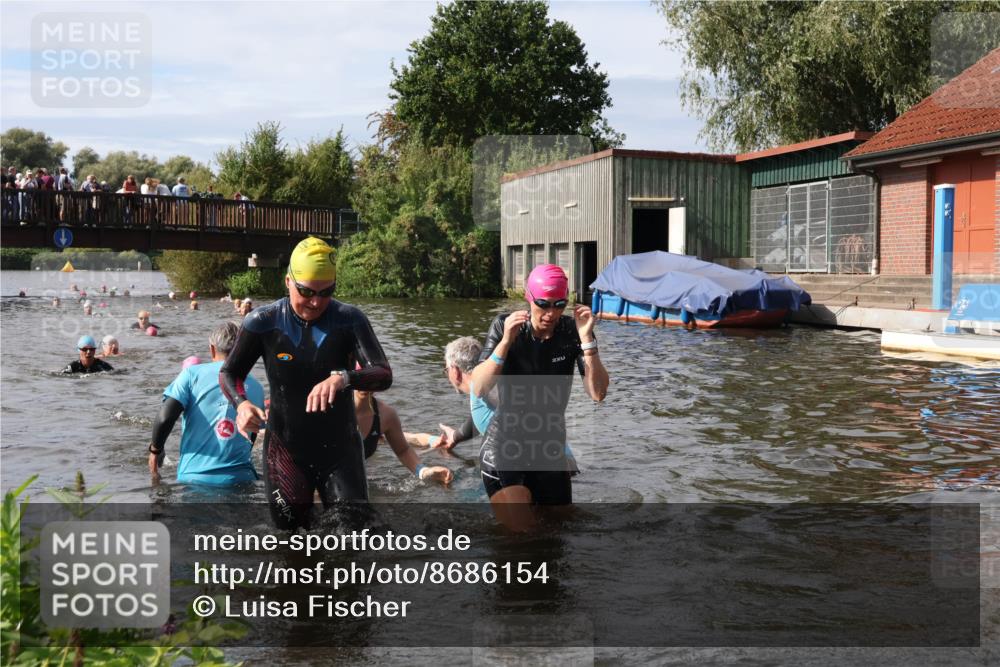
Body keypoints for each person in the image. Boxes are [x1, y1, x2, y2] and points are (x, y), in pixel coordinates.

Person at [219, 237, 392, 530]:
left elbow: (383, 374)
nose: (315, 302)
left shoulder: (349, 320)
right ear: (288, 281)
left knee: (355, 537)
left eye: (327, 293)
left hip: (340, 450)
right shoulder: (262, 322)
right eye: (306, 292)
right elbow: (229, 373)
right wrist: (242, 403)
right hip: (286, 451)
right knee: (291, 542)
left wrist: (344, 378)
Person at [470, 264, 608, 529]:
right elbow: (479, 388)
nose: (551, 313)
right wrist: (505, 343)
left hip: (549, 449)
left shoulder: (572, 332)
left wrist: (587, 340)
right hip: (506, 447)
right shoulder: (505, 325)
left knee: (560, 535)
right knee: (522, 535)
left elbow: (598, 394)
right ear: (528, 298)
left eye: (559, 304)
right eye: (543, 304)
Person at [148, 322, 265, 486]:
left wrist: (155, 450)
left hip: (194, 479)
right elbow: (251, 436)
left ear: (212, 348)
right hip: (242, 479)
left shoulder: (191, 375)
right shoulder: (256, 387)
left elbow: (165, 417)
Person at [353, 381, 452, 485]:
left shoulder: (385, 416)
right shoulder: (335, 408)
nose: (364, 383)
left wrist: (425, 472)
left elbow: (404, 449)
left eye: (370, 378)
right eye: (361, 378)